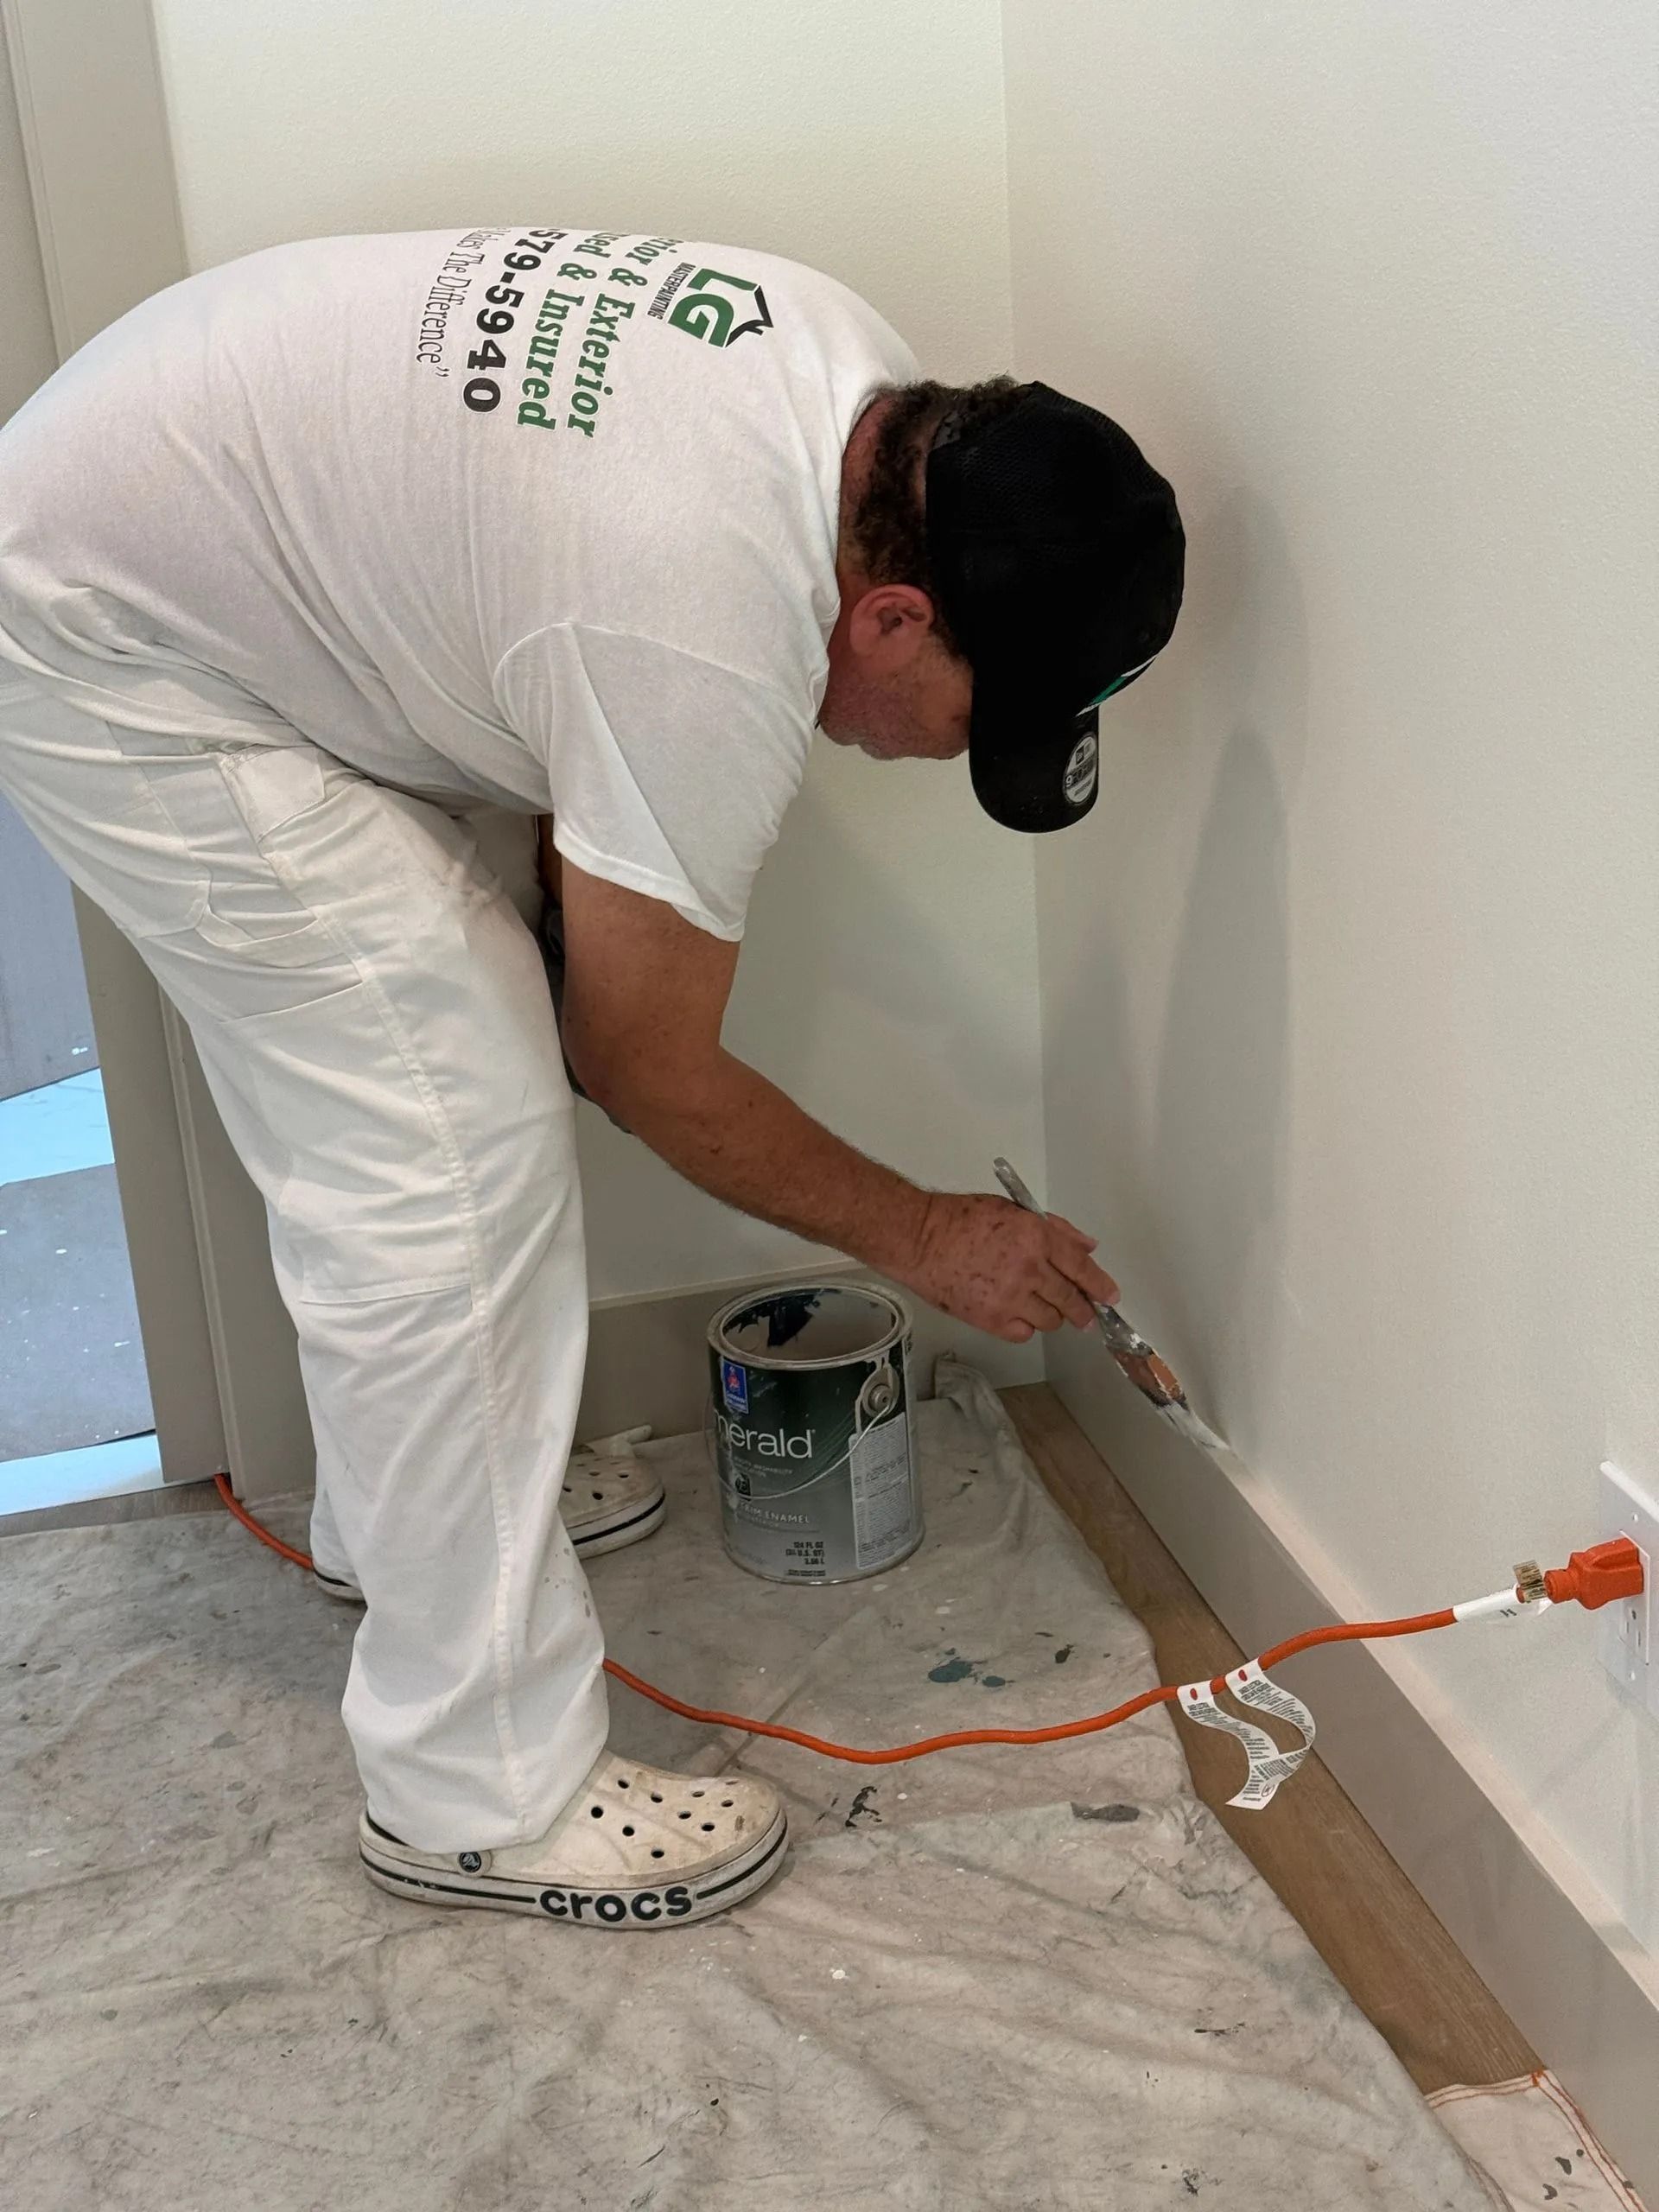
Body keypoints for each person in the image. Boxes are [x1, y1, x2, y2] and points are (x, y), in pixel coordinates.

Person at [0, 226, 1183, 1929]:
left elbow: (567, 679)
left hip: (193, 537)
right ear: (894, 610)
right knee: (443, 1136)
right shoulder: (707, 620)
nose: (937, 761)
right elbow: (637, 1061)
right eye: (968, 721)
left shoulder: (856, 401)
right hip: (110, 640)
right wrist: (925, 1235)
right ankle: (474, 1787)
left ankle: (419, 1514)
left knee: (432, 1065)